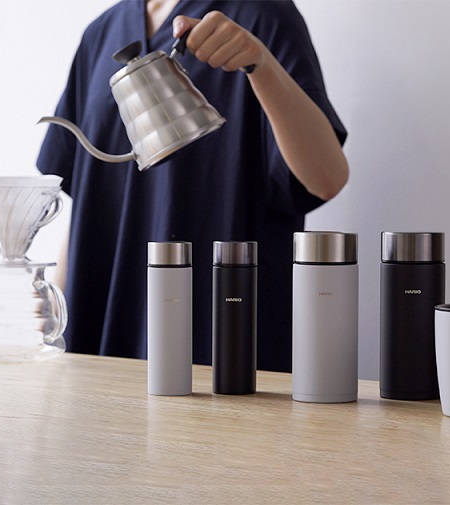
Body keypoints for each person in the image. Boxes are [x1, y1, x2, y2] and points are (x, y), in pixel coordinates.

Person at [37, 0, 348, 372]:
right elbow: (86, 198)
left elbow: (327, 179)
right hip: (104, 346)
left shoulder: (263, 15)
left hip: (220, 339)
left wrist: (260, 64)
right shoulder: (101, 34)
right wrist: (58, 308)